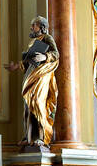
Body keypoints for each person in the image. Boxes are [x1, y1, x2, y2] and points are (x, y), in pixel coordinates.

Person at [4, 16, 60, 148]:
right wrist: (16, 66)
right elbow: (28, 61)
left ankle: (41, 137)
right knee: (28, 106)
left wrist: (45, 56)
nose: (31, 28)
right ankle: (28, 137)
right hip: (31, 74)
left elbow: (56, 54)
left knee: (37, 104)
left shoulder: (47, 38)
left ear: (41, 27)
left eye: (33, 25)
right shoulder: (33, 43)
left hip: (41, 77)